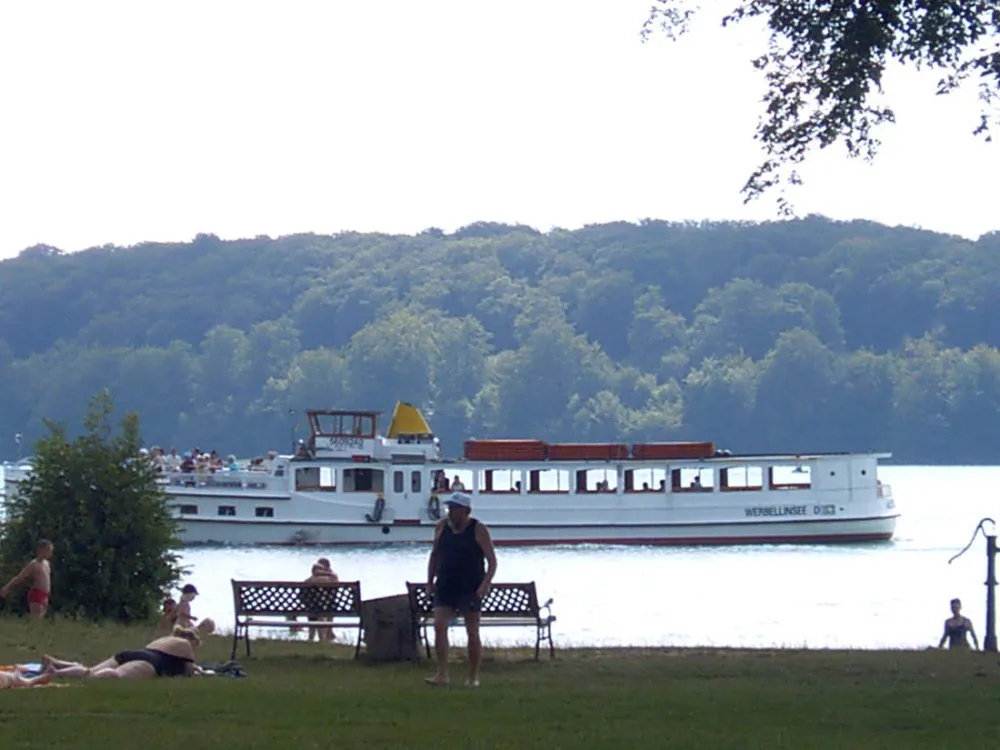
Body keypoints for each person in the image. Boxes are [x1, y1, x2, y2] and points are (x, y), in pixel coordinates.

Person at [424, 492, 497, 688]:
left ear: (466, 511)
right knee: (439, 627)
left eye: (455, 509)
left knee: (472, 632)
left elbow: (492, 561)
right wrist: (429, 581)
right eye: (450, 508)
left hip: (469, 587)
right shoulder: (441, 527)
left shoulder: (478, 529)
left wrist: (484, 585)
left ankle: (472, 676)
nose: (451, 513)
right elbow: (434, 555)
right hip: (445, 585)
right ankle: (442, 673)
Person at [42, 627, 205, 679]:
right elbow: (189, 670)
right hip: (150, 663)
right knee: (114, 676)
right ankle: (56, 672)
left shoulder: (164, 640)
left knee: (89, 671)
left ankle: (57, 669)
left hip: (134, 653)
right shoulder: (185, 645)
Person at [0, 539, 54, 619]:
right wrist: (7, 587)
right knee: (36, 617)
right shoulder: (33, 564)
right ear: (41, 550)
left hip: (45, 594)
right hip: (37, 593)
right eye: (48, 550)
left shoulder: (47, 563)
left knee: (41, 617)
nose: (50, 553)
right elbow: (20, 577)